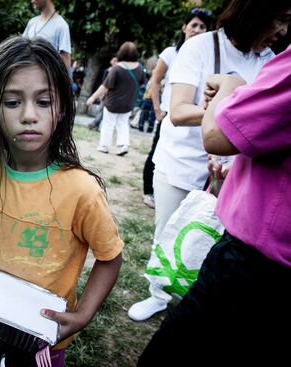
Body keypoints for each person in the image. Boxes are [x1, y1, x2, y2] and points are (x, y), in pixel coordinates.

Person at [0, 36, 123, 366]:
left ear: (61, 110)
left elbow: (110, 256)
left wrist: (84, 313)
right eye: (13, 102)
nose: (29, 115)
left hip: (40, 328)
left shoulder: (81, 190)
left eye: (44, 102)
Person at [129, 0, 289, 323]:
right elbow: (177, 111)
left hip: (230, 173)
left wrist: (231, 108)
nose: (284, 31)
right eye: (281, 19)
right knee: (169, 232)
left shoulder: (272, 61)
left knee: (206, 241)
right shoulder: (199, 47)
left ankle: (189, 299)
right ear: (255, 13)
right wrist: (232, 111)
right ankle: (157, 294)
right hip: (182, 163)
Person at [140, 9, 211, 209]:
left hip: (193, 119)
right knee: (157, 155)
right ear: (184, 27)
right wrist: (157, 110)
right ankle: (149, 191)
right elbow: (155, 81)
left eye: (202, 27)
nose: (197, 30)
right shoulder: (171, 53)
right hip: (169, 115)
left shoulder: (206, 56)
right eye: (194, 25)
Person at [86, 42, 146, 156]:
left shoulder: (117, 68)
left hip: (113, 102)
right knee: (123, 124)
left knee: (108, 124)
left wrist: (93, 97)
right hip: (129, 103)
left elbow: (105, 86)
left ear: (121, 52)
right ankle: (123, 146)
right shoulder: (139, 68)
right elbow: (143, 83)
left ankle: (104, 146)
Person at [23, 0, 72, 70]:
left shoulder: (61, 25)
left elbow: (66, 61)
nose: (32, 1)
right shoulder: (32, 22)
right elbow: (22, 49)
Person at [88, 56, 118, 131]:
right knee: (100, 109)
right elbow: (103, 83)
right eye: (114, 60)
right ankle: (95, 124)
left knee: (103, 110)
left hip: (112, 94)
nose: (115, 62)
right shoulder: (107, 71)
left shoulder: (118, 71)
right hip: (105, 92)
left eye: (116, 60)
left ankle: (95, 123)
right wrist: (101, 93)